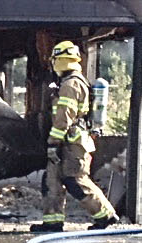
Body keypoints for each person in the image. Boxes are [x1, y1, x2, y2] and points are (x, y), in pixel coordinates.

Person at [30, 39, 120, 232]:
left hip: (73, 144)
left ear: (60, 60)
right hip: (66, 142)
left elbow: (64, 117)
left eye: (54, 60)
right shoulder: (67, 83)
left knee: (76, 180)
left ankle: (106, 216)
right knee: (51, 180)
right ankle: (52, 222)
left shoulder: (71, 85)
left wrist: (53, 143)